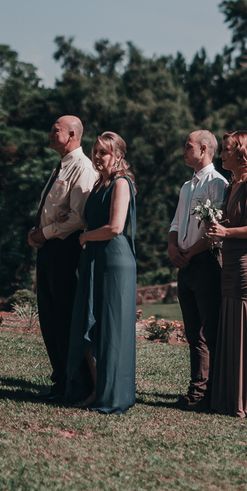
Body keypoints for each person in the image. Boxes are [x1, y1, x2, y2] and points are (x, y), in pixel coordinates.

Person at [64, 131, 136, 414]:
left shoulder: (121, 183)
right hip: (94, 257)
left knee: (111, 329)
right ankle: (97, 389)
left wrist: (85, 238)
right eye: (95, 151)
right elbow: (92, 218)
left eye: (103, 152)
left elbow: (115, 227)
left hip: (114, 260)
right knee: (90, 323)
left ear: (118, 156)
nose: (97, 157)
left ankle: (113, 394)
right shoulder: (98, 184)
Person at [26, 115, 97, 401]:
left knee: (66, 319)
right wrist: (37, 232)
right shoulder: (61, 166)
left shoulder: (82, 168)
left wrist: (47, 232)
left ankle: (74, 385)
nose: (50, 134)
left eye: (55, 130)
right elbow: (56, 209)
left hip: (66, 252)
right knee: (50, 317)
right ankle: (59, 381)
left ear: (72, 135)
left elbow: (78, 218)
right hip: (49, 250)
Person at [206, 130, 247, 418]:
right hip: (231, 262)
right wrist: (215, 229)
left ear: (241, 153)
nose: (221, 154)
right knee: (231, 327)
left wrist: (227, 232)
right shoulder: (232, 185)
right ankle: (230, 397)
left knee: (245, 328)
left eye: (226, 149)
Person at [167, 130, 228, 410]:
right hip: (185, 263)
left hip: (204, 262)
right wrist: (172, 248)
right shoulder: (186, 186)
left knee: (210, 330)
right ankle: (196, 388)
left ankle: (211, 391)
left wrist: (190, 253)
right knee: (193, 332)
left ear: (204, 149)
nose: (183, 150)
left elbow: (215, 230)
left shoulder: (218, 183)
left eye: (187, 146)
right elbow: (176, 223)